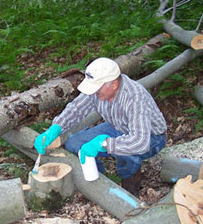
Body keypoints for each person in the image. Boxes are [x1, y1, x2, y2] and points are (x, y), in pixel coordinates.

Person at [34, 57, 167, 195]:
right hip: (118, 127)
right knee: (74, 144)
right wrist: (56, 128)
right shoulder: (98, 90)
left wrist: (104, 144)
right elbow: (76, 109)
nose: (94, 93)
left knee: (125, 153)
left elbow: (139, 142)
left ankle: (130, 184)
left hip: (151, 137)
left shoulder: (135, 99)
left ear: (114, 84)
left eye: (97, 89)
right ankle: (100, 180)